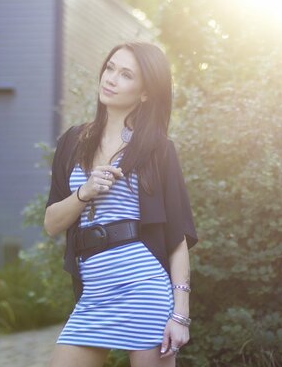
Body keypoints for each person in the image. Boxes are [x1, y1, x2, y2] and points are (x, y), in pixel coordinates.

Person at [44, 41, 198, 367]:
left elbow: (177, 238)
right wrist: (83, 193)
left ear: (144, 93)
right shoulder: (73, 141)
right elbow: (52, 224)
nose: (111, 78)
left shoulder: (157, 149)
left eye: (126, 74)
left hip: (143, 289)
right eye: (110, 68)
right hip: (94, 294)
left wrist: (180, 313)